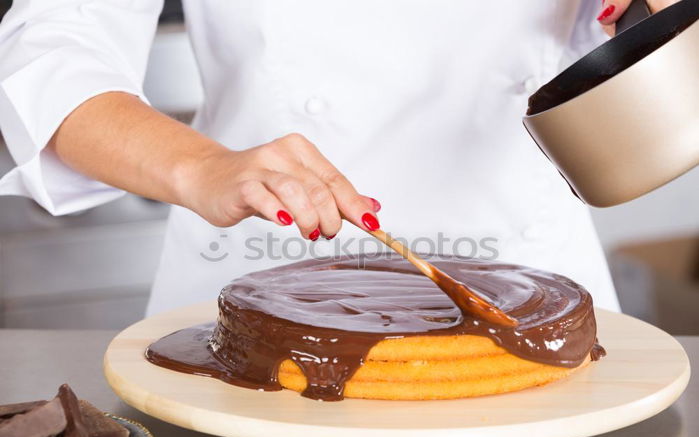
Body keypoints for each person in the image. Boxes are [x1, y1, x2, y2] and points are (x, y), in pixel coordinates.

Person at [0, 0, 674, 316]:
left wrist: (671, 14)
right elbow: (52, 46)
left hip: (533, 285)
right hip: (253, 267)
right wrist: (199, 166)